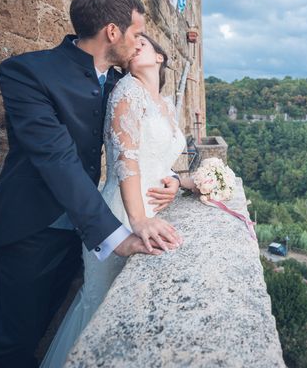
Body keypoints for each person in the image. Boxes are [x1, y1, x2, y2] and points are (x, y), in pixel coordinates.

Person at [0, 0, 183, 368]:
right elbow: (56, 159)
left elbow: (138, 141)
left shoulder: (117, 82)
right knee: (14, 342)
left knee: (51, 326)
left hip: (84, 225)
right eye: (136, 33)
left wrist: (172, 177)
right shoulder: (26, 72)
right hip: (34, 228)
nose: (139, 41)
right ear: (113, 31)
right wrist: (120, 235)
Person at [40, 34, 186, 367]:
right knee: (101, 304)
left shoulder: (164, 103)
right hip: (122, 210)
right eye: (132, 42)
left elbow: (162, 160)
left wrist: (177, 181)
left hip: (155, 207)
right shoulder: (128, 90)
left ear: (160, 57)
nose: (135, 45)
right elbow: (126, 160)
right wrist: (137, 219)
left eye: (144, 43)